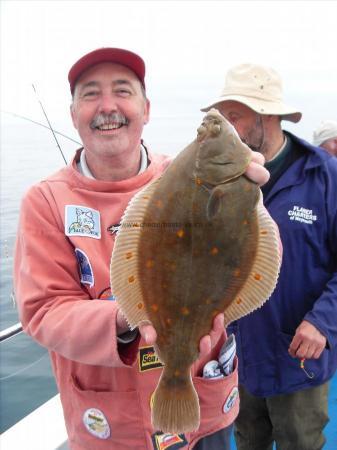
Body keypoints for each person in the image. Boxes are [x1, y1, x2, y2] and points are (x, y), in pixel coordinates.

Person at [13, 48, 269, 450]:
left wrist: (249, 196)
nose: (108, 106)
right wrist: (128, 315)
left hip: (207, 405)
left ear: (146, 109)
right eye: (91, 94)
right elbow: (43, 311)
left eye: (123, 91)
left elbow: (250, 257)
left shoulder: (178, 174)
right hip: (111, 425)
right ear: (73, 113)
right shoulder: (45, 202)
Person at [202, 63, 337, 450]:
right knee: (247, 441)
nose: (226, 128)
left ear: (268, 115)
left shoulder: (326, 175)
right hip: (238, 357)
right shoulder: (219, 181)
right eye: (223, 118)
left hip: (300, 359)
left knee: (300, 442)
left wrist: (324, 323)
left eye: (234, 117)